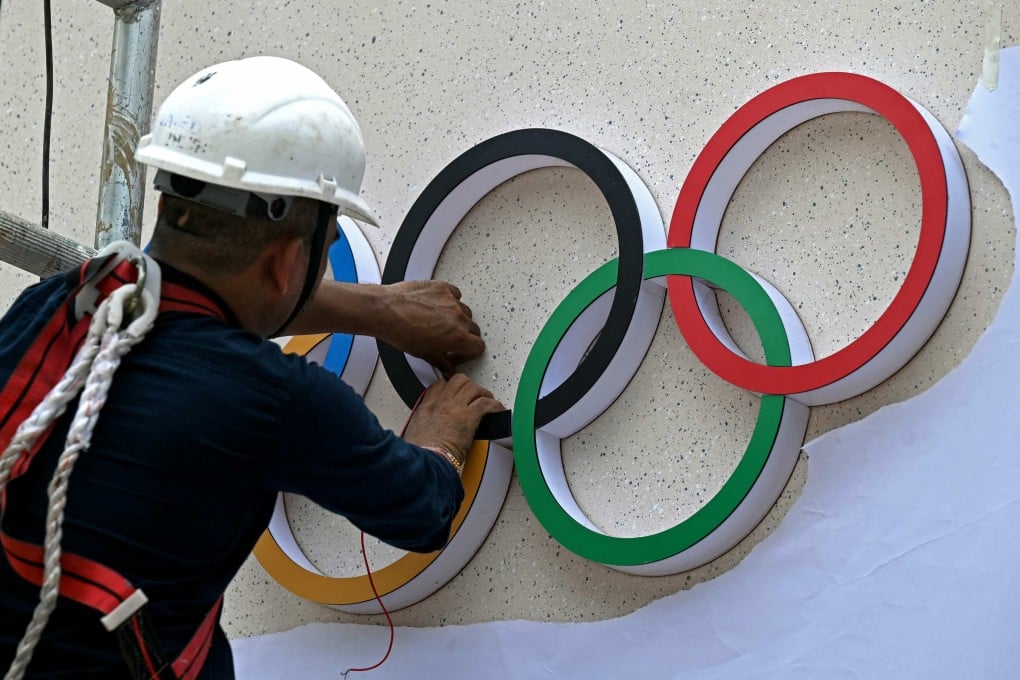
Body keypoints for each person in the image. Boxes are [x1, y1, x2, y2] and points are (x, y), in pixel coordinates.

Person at [0, 56, 502, 678]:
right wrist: (441, 431)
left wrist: (377, 309)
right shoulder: (274, 399)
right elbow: (422, 511)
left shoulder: (57, 306)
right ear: (289, 261)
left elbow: (188, 302)